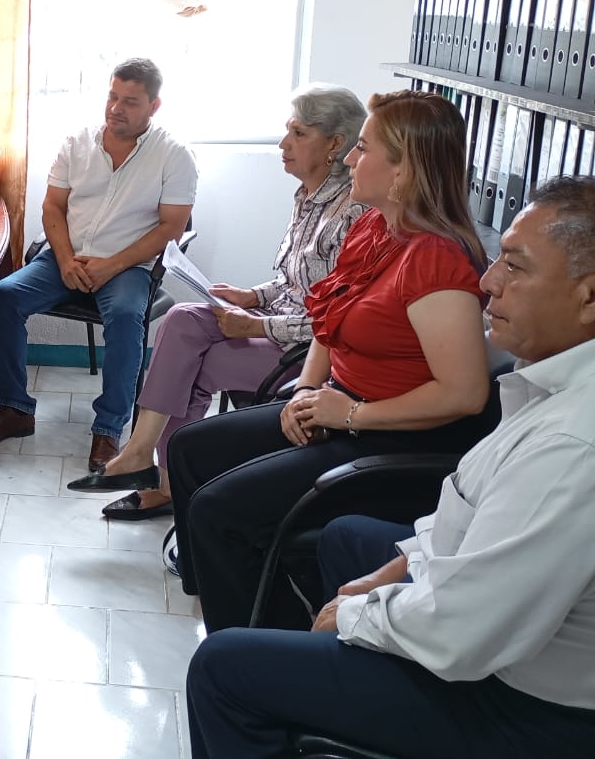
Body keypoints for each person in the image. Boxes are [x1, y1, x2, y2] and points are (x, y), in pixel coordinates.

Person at [186, 176, 595, 759]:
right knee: (344, 539)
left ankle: (301, 682)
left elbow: (464, 632)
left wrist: (354, 615)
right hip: (479, 627)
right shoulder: (547, 383)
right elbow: (468, 513)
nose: (488, 281)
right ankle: (315, 687)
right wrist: (392, 573)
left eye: (515, 265)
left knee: (224, 668)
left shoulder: (572, 444)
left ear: (589, 298)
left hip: (520, 706)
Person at [168, 90, 500, 633]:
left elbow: (464, 394)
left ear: (403, 170)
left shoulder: (436, 260)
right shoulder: (374, 228)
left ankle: (270, 647)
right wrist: (305, 391)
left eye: (363, 148)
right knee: (189, 450)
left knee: (218, 511)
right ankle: (232, 603)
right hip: (340, 409)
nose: (348, 158)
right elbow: (329, 317)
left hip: (391, 438)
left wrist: (347, 414)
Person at [67, 85, 367, 520]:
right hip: (278, 323)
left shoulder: (353, 213)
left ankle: (165, 483)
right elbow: (295, 281)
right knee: (182, 318)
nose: (283, 144)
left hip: (307, 355)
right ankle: (140, 454)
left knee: (194, 364)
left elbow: (337, 319)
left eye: (299, 134)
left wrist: (256, 325)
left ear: (335, 144)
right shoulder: (308, 195)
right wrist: (252, 296)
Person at [0, 58, 197, 472]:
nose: (115, 109)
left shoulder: (174, 155)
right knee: (3, 297)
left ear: (154, 106)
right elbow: (52, 206)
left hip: (128, 265)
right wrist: (67, 259)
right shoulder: (77, 143)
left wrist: (111, 265)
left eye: (130, 102)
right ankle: (15, 410)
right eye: (112, 96)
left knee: (126, 316)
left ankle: (108, 428)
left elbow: (171, 228)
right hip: (65, 256)